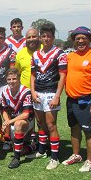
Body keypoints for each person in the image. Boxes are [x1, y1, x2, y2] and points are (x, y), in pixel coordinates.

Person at [62, 26, 91, 172]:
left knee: (89, 131)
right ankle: (76, 155)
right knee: (74, 129)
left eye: (83, 38)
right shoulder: (71, 56)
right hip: (71, 100)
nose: (80, 41)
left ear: (89, 40)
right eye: (77, 39)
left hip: (88, 101)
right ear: (74, 41)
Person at [27, 23, 67, 170]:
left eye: (48, 36)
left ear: (53, 37)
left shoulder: (59, 53)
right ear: (40, 37)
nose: (46, 39)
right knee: (41, 123)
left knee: (51, 125)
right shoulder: (36, 54)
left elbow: (63, 76)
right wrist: (32, 92)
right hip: (38, 92)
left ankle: (55, 157)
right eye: (43, 36)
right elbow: (32, 75)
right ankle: (42, 151)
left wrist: (57, 96)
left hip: (51, 93)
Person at [1, 68, 34, 169]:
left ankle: (16, 158)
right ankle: (33, 145)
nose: (11, 81)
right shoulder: (4, 91)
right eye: (9, 79)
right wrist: (6, 121)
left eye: (14, 79)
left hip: (26, 121)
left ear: (19, 79)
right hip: (13, 121)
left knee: (18, 124)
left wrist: (9, 122)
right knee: (19, 148)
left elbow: (25, 114)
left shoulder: (26, 91)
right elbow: (4, 110)